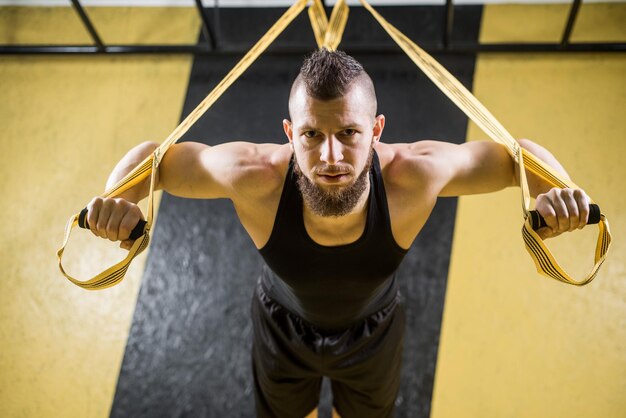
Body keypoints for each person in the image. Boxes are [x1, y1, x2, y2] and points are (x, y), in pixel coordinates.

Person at [86, 49, 591, 418]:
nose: (330, 158)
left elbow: (514, 159)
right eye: (312, 135)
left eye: (349, 133)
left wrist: (562, 193)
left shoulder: (414, 175)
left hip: (374, 332)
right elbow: (158, 160)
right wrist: (118, 202)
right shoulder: (255, 176)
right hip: (281, 328)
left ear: (375, 131)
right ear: (290, 133)